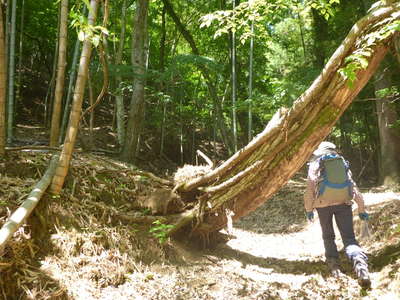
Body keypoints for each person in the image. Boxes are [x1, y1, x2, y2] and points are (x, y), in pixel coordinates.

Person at [304, 141, 371, 288]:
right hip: (343, 203)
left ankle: (334, 266)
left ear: (319, 152)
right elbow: (352, 186)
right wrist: (361, 209)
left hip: (322, 205)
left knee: (328, 235)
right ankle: (361, 267)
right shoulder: (341, 163)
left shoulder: (315, 164)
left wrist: (309, 209)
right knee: (349, 238)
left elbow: (309, 190)